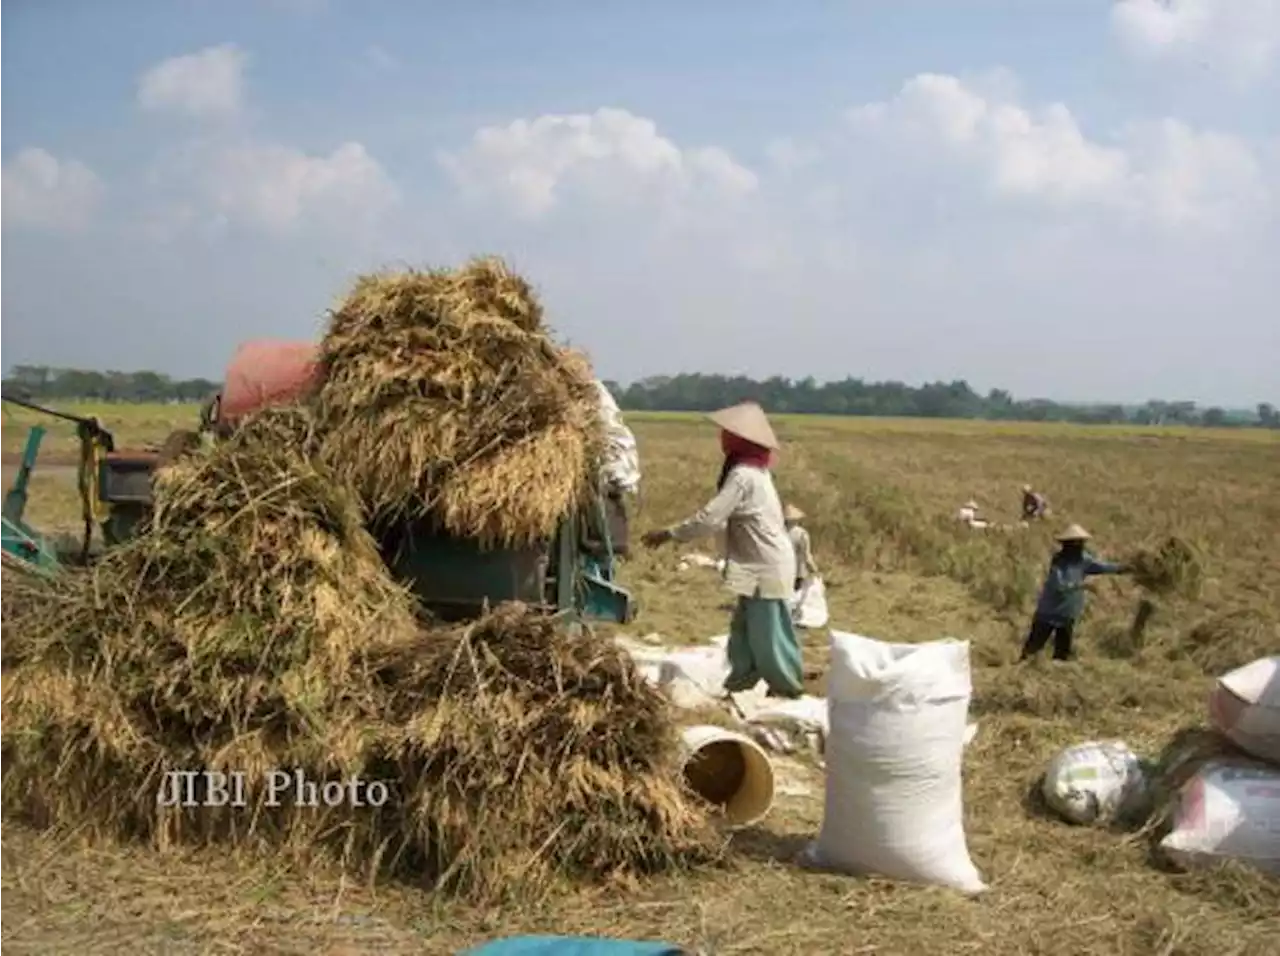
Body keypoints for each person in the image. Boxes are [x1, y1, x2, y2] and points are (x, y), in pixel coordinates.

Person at [641, 401, 802, 699]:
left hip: (766, 566)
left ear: (740, 440)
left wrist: (669, 534)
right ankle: (740, 686)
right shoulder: (755, 472)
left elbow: (711, 518)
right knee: (744, 633)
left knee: (769, 635)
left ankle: (787, 688)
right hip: (759, 564)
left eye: (726, 433)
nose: (721, 438)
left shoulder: (743, 475)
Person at [1020, 524, 1129, 662]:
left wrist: (1125, 568)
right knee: (1032, 649)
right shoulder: (1058, 562)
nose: (1078, 545)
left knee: (1062, 654)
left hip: (1068, 613)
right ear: (1067, 544)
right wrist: (1082, 585)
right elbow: (1059, 585)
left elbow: (1103, 567)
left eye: (1080, 542)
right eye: (1075, 542)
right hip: (1049, 612)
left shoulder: (1084, 560)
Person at [783, 504, 818, 593]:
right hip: (798, 572)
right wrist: (814, 570)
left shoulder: (778, 532)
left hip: (782, 571)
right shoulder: (802, 534)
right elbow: (806, 556)